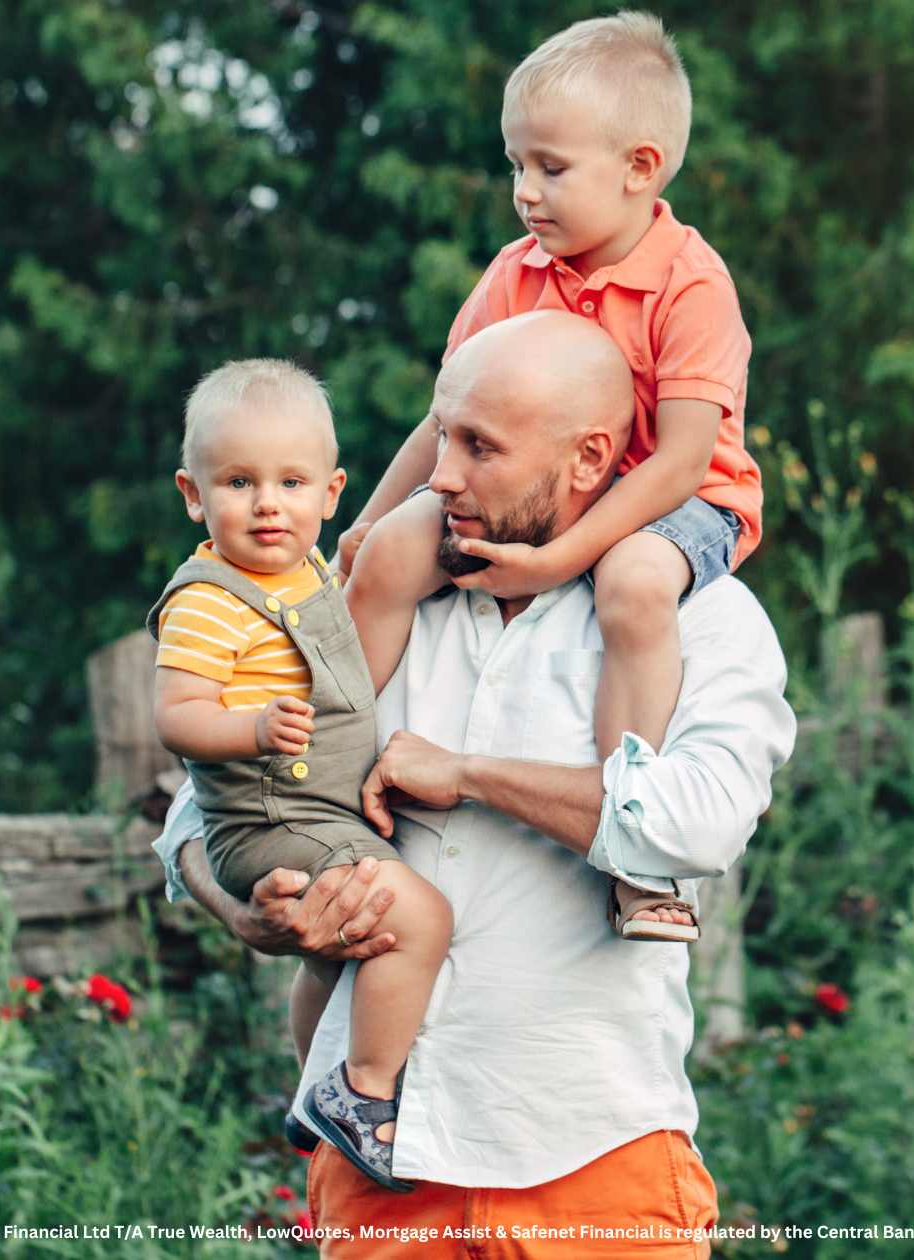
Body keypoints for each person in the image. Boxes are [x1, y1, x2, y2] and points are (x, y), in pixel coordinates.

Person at [152, 311, 796, 1256]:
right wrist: (240, 907)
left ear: (587, 460)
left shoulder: (698, 618)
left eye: (479, 447)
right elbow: (201, 802)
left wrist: (468, 774)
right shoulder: (365, 600)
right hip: (382, 1170)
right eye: (441, 434)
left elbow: (696, 826)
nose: (439, 472)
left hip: (594, 1156)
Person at [337, 12, 763, 945]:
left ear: (640, 168)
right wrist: (366, 522)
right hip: (543, 506)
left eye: (551, 169)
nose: (525, 193)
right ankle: (325, 780)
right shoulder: (514, 274)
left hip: (681, 503)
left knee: (636, 584)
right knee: (395, 552)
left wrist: (561, 556)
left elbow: (687, 459)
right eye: (516, 165)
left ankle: (634, 843)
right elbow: (444, 418)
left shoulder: (690, 285)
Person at [148, 359, 452, 1192]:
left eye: (290, 481)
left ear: (332, 492)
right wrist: (247, 726)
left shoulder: (313, 573)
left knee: (331, 960)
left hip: (313, 805)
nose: (267, 503)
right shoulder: (209, 599)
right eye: (239, 482)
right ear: (192, 494)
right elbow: (175, 716)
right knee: (419, 915)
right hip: (269, 814)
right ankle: (364, 1095)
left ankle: (313, 1083)